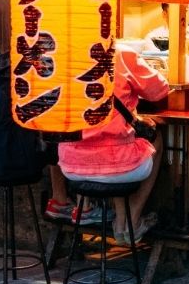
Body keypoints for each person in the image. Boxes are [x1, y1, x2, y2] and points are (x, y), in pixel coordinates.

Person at [47, 47, 168, 243]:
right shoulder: (121, 54)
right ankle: (131, 220)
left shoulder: (63, 56)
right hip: (119, 165)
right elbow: (159, 91)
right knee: (151, 141)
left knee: (119, 149)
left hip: (71, 166)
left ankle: (117, 217)